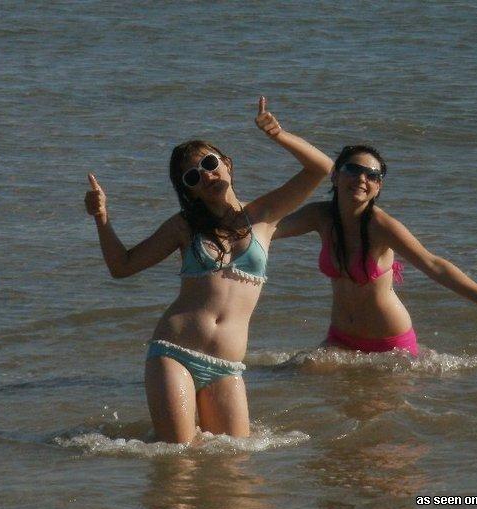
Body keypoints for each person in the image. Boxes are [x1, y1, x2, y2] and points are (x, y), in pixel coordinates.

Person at [85, 98, 333, 443]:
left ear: (227, 163)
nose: (206, 175)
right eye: (193, 177)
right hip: (174, 353)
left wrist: (279, 135)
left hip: (226, 367)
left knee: (235, 461)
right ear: (189, 191)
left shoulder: (264, 215)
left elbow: (321, 168)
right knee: (177, 460)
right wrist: (101, 218)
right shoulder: (184, 226)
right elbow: (122, 266)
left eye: (210, 163)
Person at [273, 144, 477, 357]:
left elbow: (432, 264)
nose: (362, 179)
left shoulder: (381, 226)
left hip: (390, 347)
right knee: (298, 373)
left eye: (372, 175)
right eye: (353, 169)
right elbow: (268, 230)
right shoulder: (320, 216)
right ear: (335, 175)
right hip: (340, 339)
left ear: (378, 186)